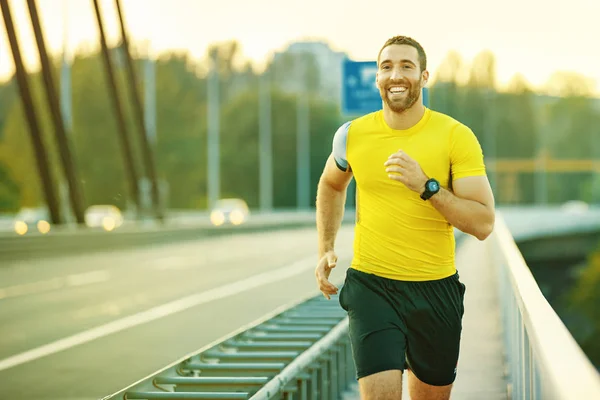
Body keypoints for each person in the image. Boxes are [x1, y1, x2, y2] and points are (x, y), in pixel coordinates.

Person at [314, 35, 496, 400]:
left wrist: (427, 187)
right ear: (377, 79)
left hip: (435, 289)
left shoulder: (455, 136)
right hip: (372, 286)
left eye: (406, 67)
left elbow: (483, 223)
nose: (396, 75)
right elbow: (332, 185)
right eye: (386, 67)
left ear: (424, 77)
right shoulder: (352, 135)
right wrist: (326, 246)